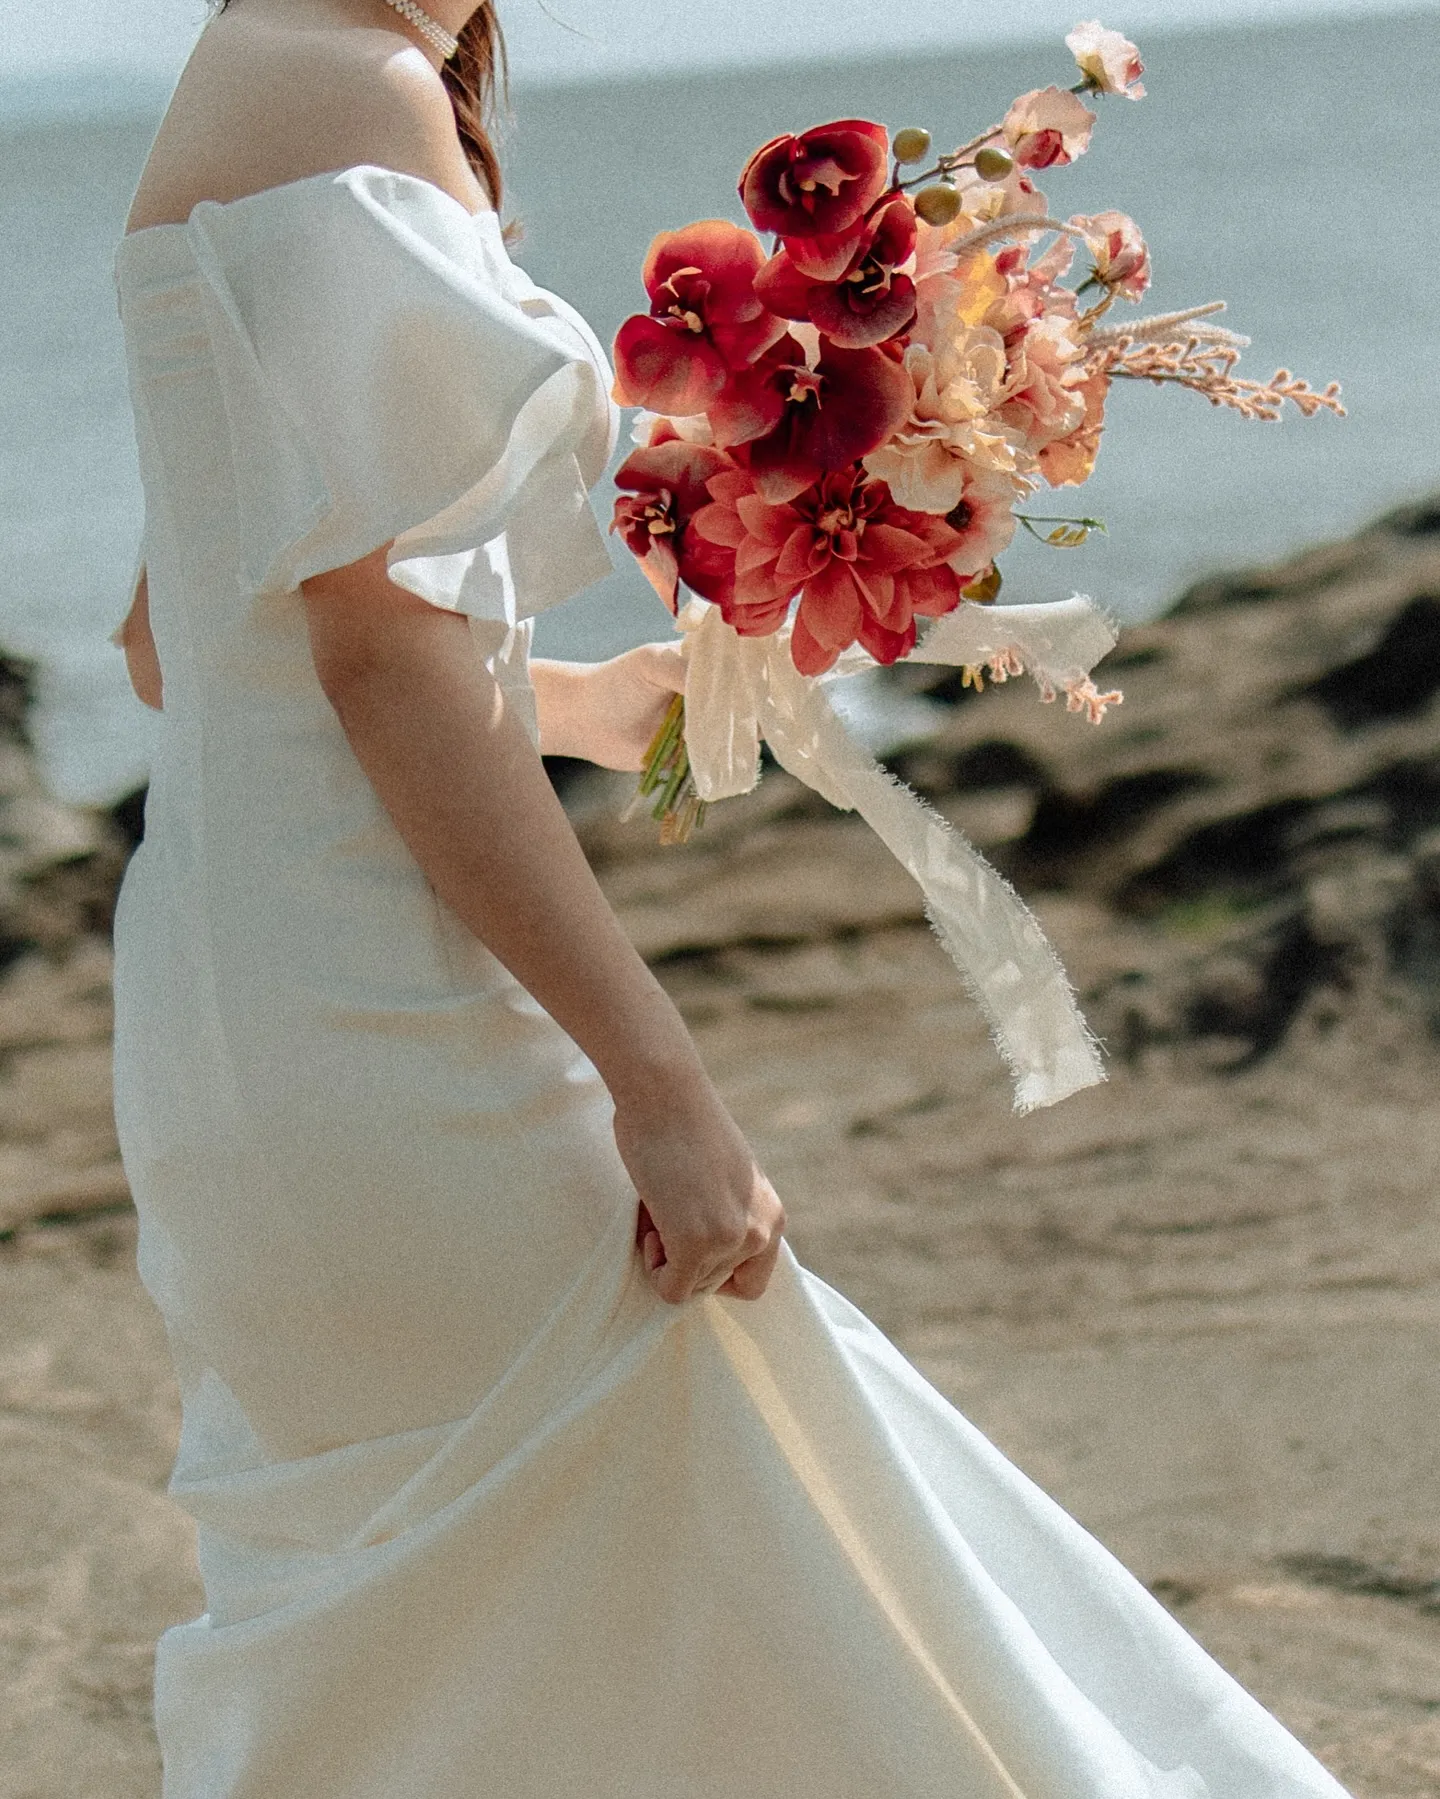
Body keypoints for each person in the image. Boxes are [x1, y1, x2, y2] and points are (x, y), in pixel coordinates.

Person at [110, 0, 1353, 1793]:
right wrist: (663, 1084)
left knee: (481, 1622)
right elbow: (380, 659)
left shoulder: (249, 76)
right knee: (714, 1509)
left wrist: (584, 700)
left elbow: (191, 643)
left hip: (233, 995)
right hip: (375, 999)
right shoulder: (351, 87)